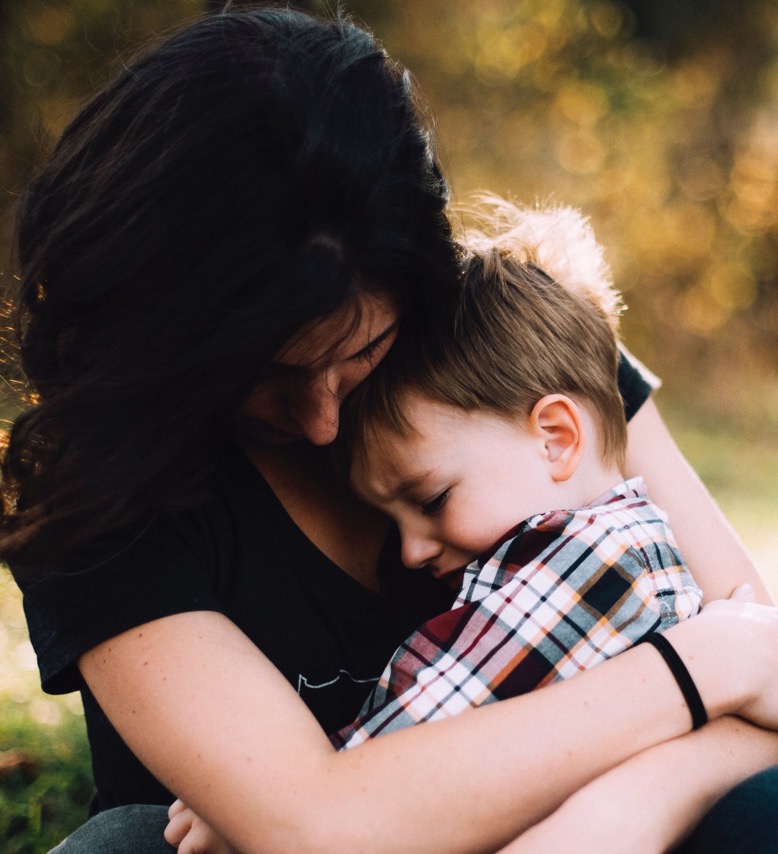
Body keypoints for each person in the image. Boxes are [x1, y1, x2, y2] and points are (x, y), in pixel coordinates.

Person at [2, 6, 777, 854]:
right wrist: (702, 668)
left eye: (360, 352)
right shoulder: (93, 486)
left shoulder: (513, 361)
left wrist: (633, 805)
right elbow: (314, 826)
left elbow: (768, 683)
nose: (323, 421)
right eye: (264, 376)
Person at [332, 202, 704, 749]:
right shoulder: (609, 549)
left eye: (432, 500)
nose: (410, 552)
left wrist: (267, 804)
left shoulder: (593, 561)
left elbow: (420, 735)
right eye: (392, 520)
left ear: (556, 439)